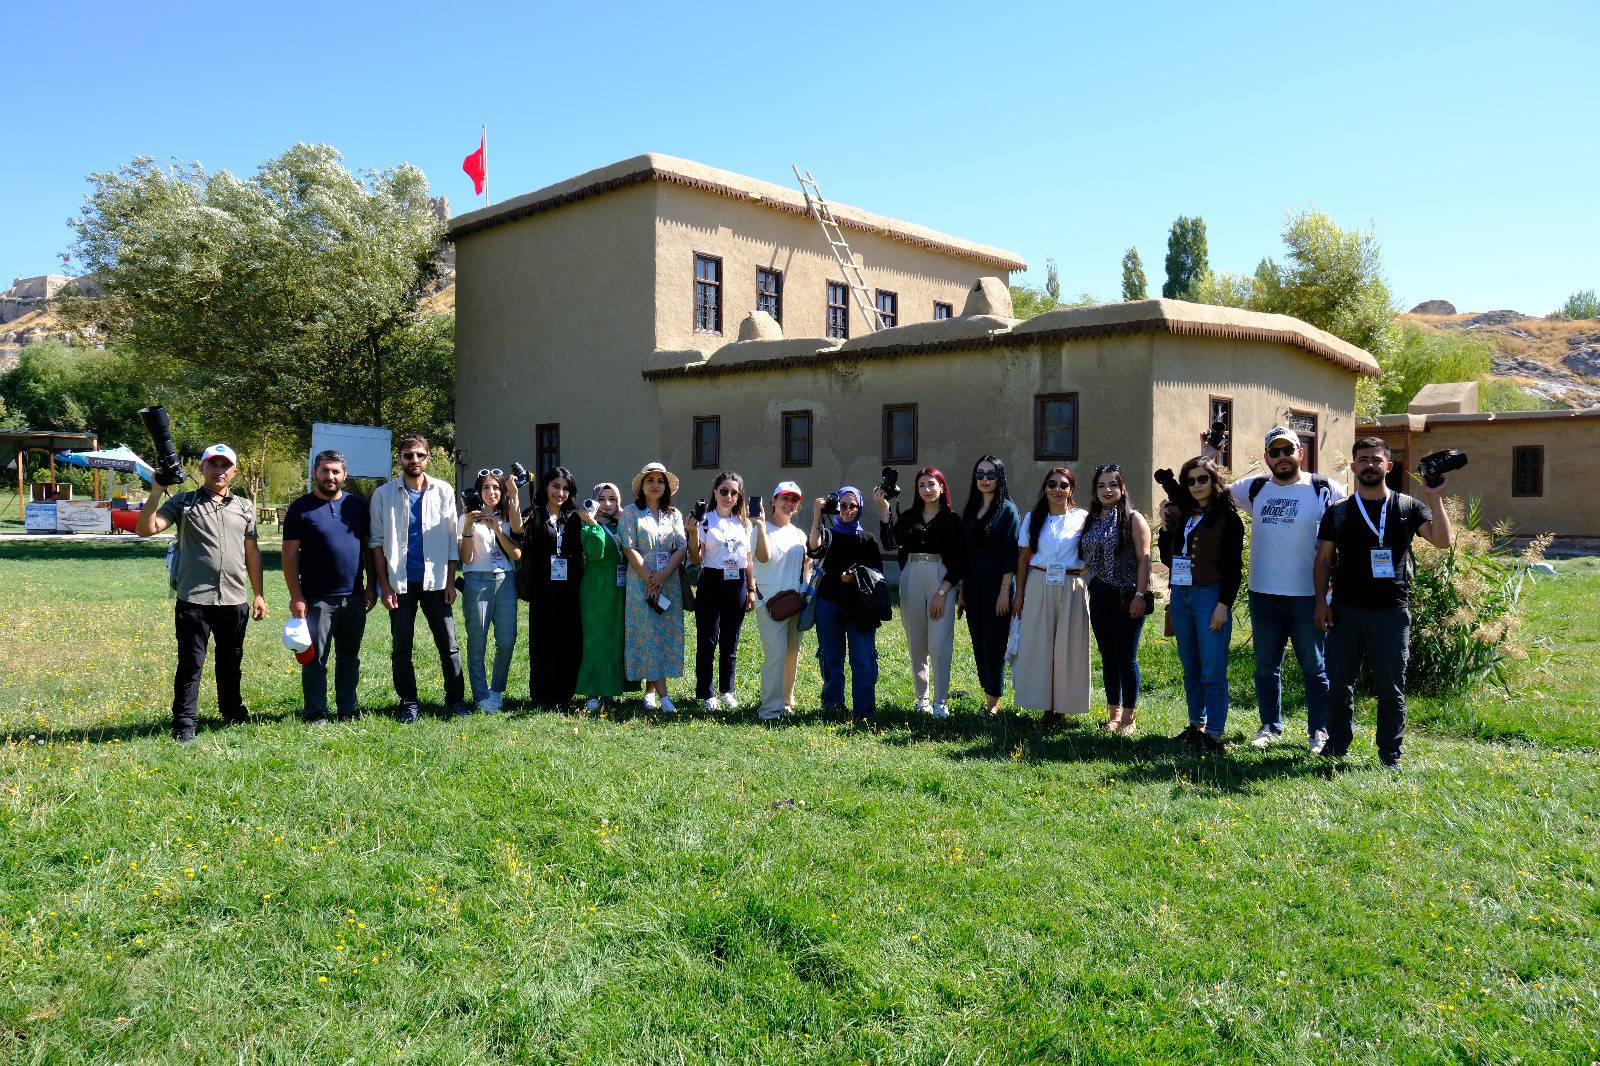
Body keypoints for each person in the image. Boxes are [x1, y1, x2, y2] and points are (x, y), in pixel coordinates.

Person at [1315, 437, 1452, 770]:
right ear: (1353, 467)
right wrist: (1321, 602)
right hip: (1345, 610)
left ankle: (1390, 754)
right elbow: (1323, 560)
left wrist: (1434, 497)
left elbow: (1443, 540)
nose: (1369, 465)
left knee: (1391, 688)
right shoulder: (1339, 512)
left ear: (1388, 466)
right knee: (1339, 685)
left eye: (1376, 459)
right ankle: (1336, 746)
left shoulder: (1407, 508)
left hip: (1391, 612)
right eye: (1362, 459)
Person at [1214, 426, 1345, 753]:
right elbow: (1210, 493)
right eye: (1275, 452)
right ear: (1266, 458)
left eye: (1289, 450)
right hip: (1263, 595)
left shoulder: (1325, 488)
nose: (1282, 457)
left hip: (1308, 597)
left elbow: (1353, 522)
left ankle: (1319, 730)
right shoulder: (1254, 488)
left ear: (1301, 453)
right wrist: (1211, 453)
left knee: (1315, 668)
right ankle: (1270, 726)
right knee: (1265, 667)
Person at [137, 443, 269, 742]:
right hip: (194, 600)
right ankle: (184, 722)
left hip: (234, 599)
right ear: (202, 468)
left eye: (225, 465)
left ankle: (232, 710)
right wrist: (157, 489)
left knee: (231, 661)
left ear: (234, 471)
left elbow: (253, 553)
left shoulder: (244, 507)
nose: (219, 470)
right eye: (213, 464)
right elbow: (146, 529)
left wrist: (258, 594)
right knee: (190, 663)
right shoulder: (184, 502)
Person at [370, 433, 466, 722]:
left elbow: (452, 541)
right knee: (401, 647)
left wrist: (450, 581)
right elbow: (376, 543)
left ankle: (455, 700)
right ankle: (409, 702)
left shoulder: (443, 491)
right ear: (399, 458)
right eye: (408, 455)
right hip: (400, 583)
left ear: (428, 458)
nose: (414, 460)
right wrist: (383, 586)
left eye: (419, 455)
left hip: (436, 581)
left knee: (448, 645)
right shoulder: (383, 495)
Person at [1157, 456, 1244, 749]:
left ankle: (1215, 733)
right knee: (1190, 666)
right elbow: (1168, 559)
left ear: (1214, 481)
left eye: (1202, 479)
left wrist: (1224, 604)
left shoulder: (1228, 518)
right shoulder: (1185, 514)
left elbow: (1234, 568)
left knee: (1212, 667)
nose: (1196, 485)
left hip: (1210, 596)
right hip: (1181, 596)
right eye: (1190, 481)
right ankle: (1197, 725)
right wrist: (1166, 529)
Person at [283, 449, 375, 724]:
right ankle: (316, 712)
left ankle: (347, 708)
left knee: (349, 657)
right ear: (315, 472)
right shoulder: (300, 508)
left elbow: (368, 549)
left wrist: (371, 586)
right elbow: (289, 555)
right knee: (315, 658)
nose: (330, 476)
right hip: (316, 599)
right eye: (325, 470)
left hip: (354, 596)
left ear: (344, 475)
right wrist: (296, 595)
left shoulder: (357, 506)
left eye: (336, 471)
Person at [876, 467, 966, 717]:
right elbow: (889, 543)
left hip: (940, 578)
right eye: (922, 486)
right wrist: (884, 508)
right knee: (917, 642)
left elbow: (960, 561)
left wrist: (943, 591)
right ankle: (922, 698)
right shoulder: (908, 517)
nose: (927, 490)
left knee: (939, 643)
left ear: (941, 487)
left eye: (931, 484)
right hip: (912, 576)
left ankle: (940, 702)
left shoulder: (952, 519)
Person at [1012, 467, 1091, 728]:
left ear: (1071, 490)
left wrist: (1084, 570)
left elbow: (1095, 551)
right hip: (1039, 581)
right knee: (1039, 645)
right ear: (1045, 488)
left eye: (1063, 485)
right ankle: (1044, 705)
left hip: (1070, 584)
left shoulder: (1082, 518)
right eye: (1052, 484)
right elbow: (1023, 559)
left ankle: (1063, 708)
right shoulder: (1033, 518)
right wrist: (1019, 594)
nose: (1057, 489)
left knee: (1068, 647)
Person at [1081, 464, 1152, 735]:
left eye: (1112, 485)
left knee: (1126, 657)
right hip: (1100, 594)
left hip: (1128, 594)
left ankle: (1129, 718)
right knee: (1108, 656)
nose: (1107, 490)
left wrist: (1140, 595)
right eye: (1101, 485)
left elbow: (1144, 559)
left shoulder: (1134, 518)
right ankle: (1113, 714)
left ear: (1122, 489)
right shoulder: (1093, 519)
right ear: (1095, 491)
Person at [808, 486, 885, 723]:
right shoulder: (828, 534)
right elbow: (813, 549)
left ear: (860, 507)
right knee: (831, 656)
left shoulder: (867, 540)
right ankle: (833, 705)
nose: (847, 510)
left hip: (860, 606)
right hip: (829, 602)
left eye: (853, 505)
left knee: (862, 658)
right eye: (843, 505)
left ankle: (864, 710)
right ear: (837, 506)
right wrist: (816, 516)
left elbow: (877, 576)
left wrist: (856, 577)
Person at [618, 462, 689, 714]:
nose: (656, 485)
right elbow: (629, 547)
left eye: (660, 481)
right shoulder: (630, 512)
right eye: (650, 480)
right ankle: (664, 696)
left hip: (667, 583)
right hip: (641, 583)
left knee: (664, 635)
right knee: (647, 635)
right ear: (642, 486)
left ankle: (650, 692)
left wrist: (662, 575)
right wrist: (650, 578)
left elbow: (682, 546)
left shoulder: (674, 514)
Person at [686, 471, 755, 712]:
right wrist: (693, 533)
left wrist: (752, 589)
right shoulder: (705, 519)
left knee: (730, 641)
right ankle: (706, 691)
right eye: (724, 491)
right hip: (712, 581)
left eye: (733, 492)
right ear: (715, 492)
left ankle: (727, 690)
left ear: (739, 496)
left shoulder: (744, 523)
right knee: (707, 639)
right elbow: (696, 558)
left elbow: (748, 558)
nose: (728, 496)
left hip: (737, 583)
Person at [519, 465, 586, 707]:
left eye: (565, 488)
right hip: (542, 589)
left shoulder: (575, 518)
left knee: (568, 641)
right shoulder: (534, 514)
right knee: (542, 641)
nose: (560, 492)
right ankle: (541, 694)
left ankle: (564, 693)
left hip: (569, 590)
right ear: (546, 486)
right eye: (555, 486)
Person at [458, 469, 523, 712]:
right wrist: (468, 524)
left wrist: (497, 528)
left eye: (496, 487)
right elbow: (466, 557)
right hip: (477, 580)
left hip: (505, 580)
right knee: (478, 642)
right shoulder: (466, 518)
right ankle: (480, 695)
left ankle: (496, 691)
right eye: (486, 487)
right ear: (478, 491)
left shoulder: (507, 517)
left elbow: (517, 554)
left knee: (507, 641)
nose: (491, 492)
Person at [960, 455, 1021, 714]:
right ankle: (989, 690)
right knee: (978, 641)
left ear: (1000, 478)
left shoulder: (1008, 510)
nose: (985, 479)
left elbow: (1011, 553)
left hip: (998, 587)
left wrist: (1005, 591)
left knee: (993, 644)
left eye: (991, 474)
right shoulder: (971, 509)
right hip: (973, 586)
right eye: (980, 474)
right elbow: (964, 552)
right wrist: (962, 591)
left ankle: (993, 703)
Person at [751, 481, 810, 721]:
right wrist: (761, 526)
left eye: (794, 500)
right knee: (775, 655)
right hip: (770, 603)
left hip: (794, 603)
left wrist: (805, 588)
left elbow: (807, 564)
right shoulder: (758, 529)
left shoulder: (798, 534)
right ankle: (770, 709)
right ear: (773, 501)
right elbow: (763, 558)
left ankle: (786, 700)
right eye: (784, 498)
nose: (789, 503)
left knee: (791, 654)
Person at [576, 482, 631, 712]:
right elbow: (596, 553)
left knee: (614, 638)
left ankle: (610, 690)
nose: (607, 504)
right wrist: (591, 523)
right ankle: (592, 691)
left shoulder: (624, 525)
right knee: (596, 638)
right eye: (602, 498)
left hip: (621, 587)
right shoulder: (589, 525)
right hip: (597, 587)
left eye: (613, 499)